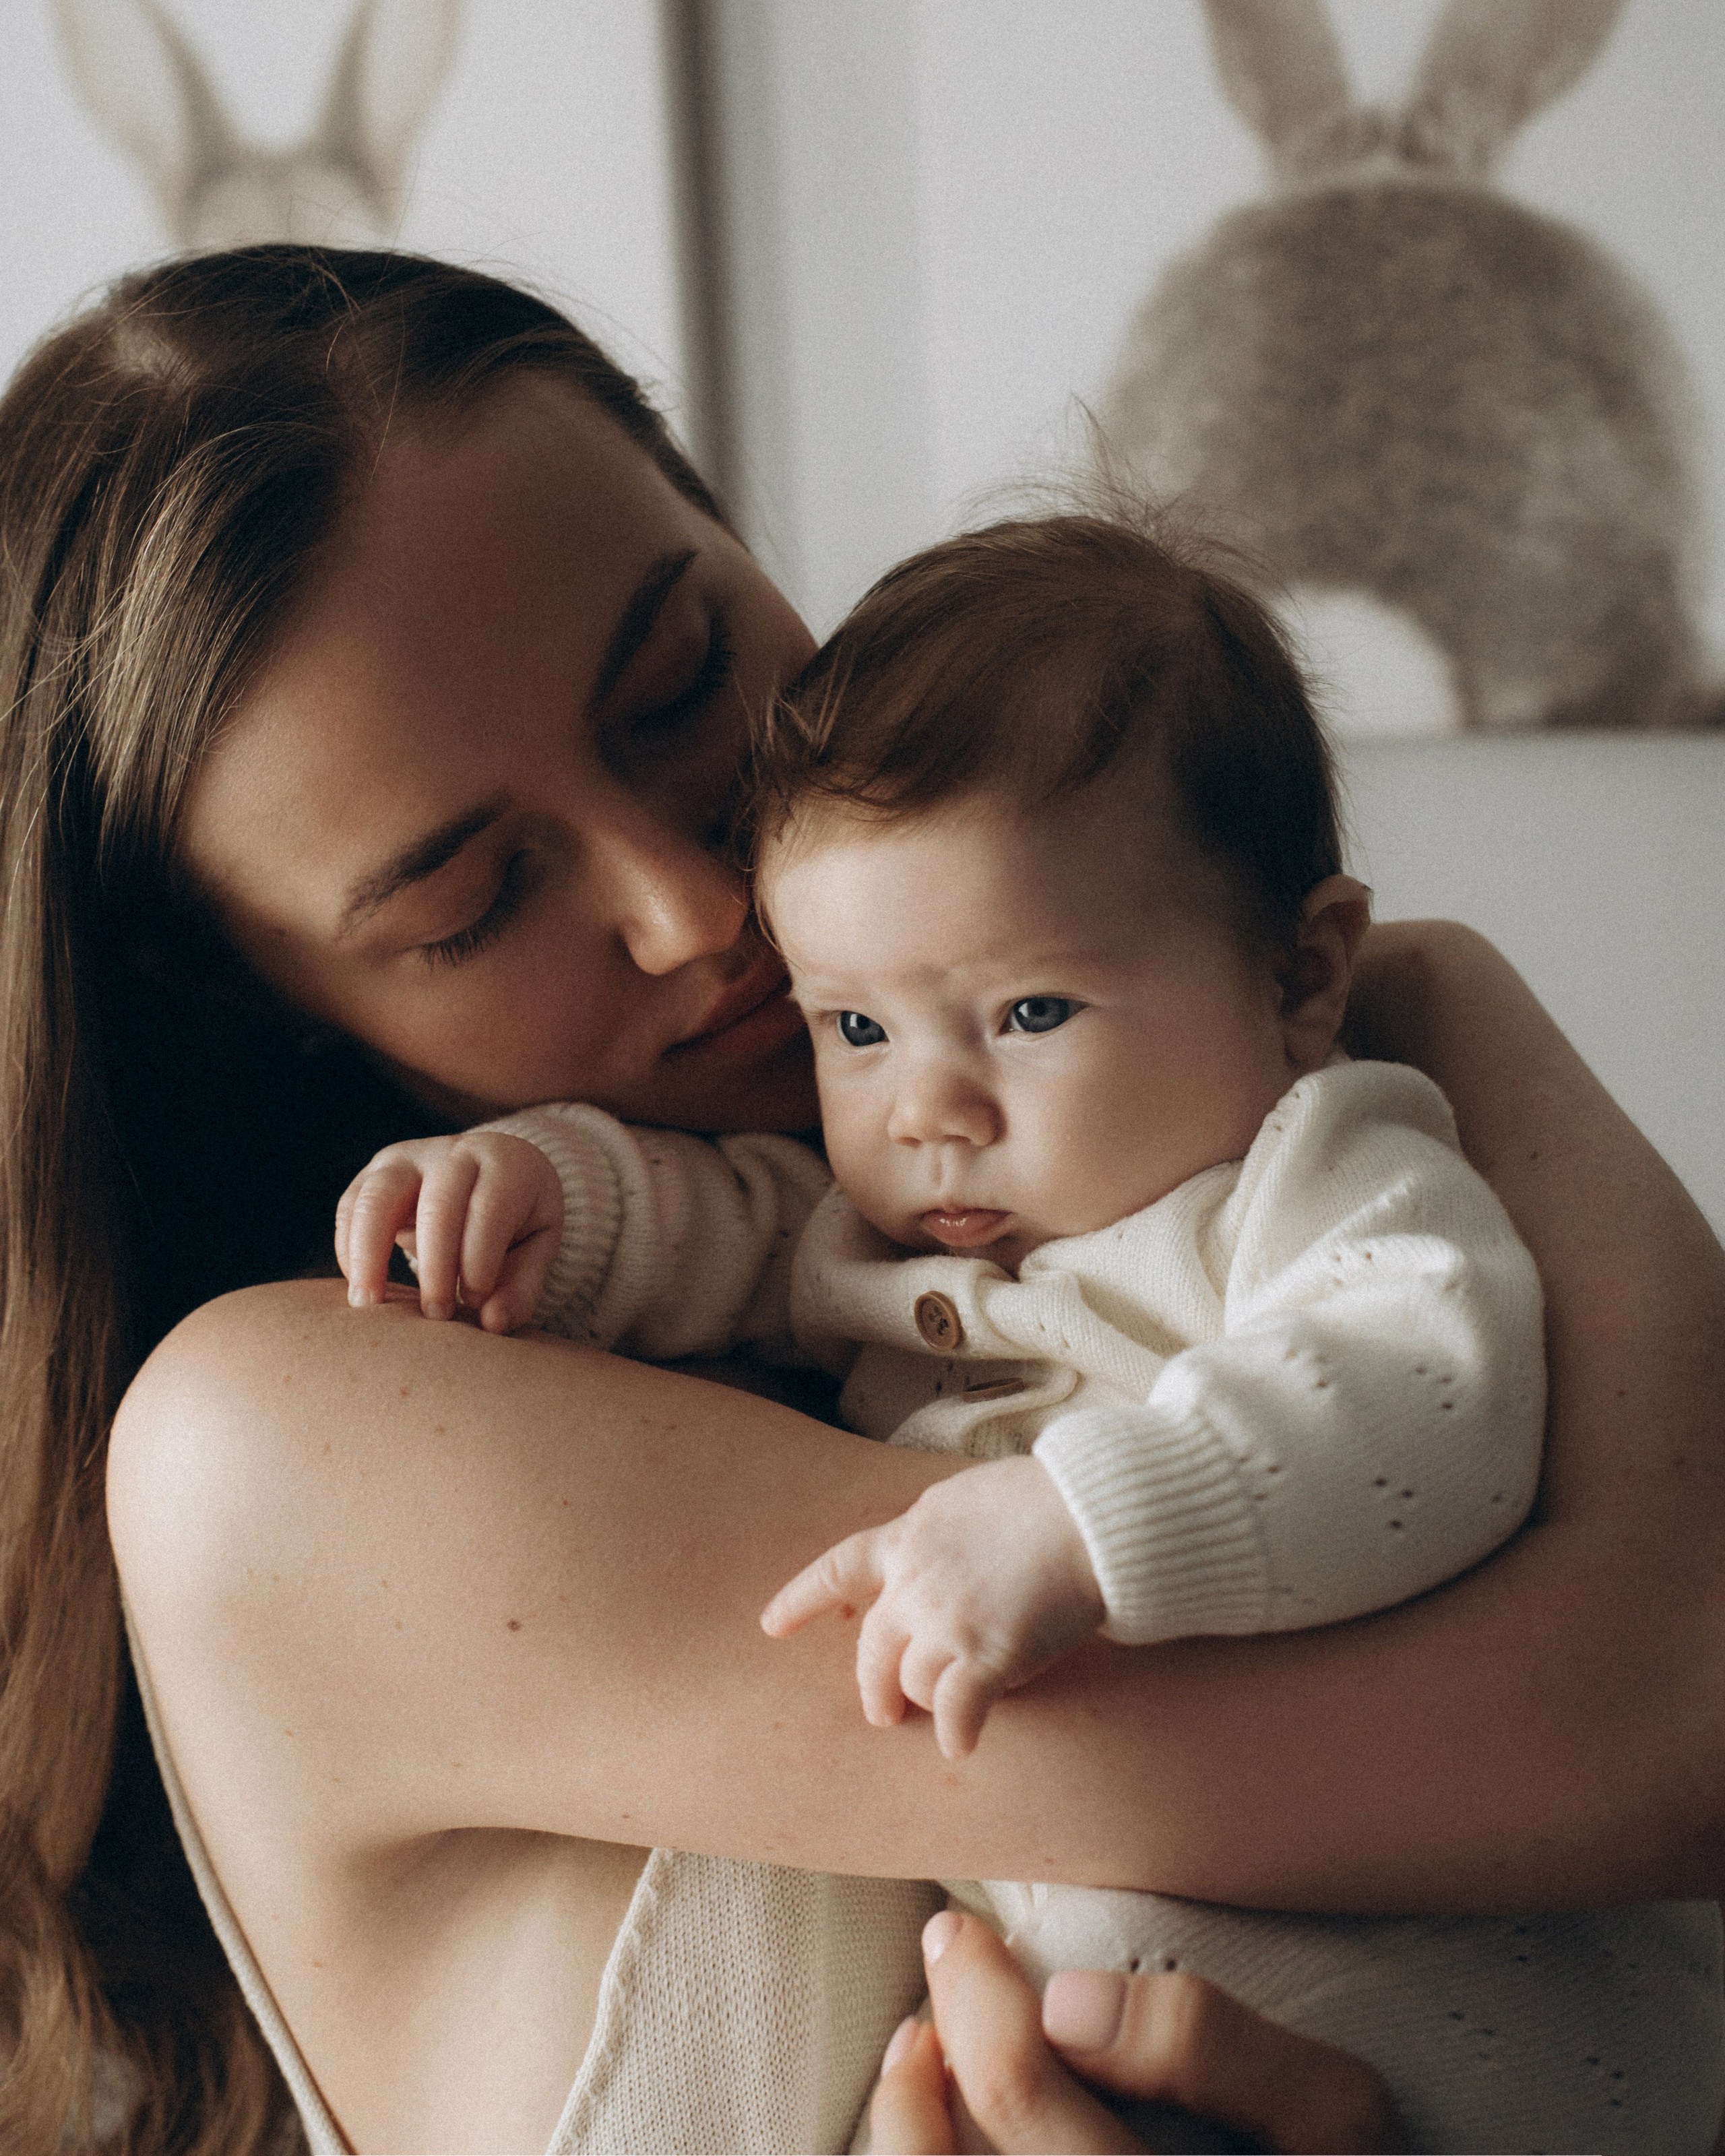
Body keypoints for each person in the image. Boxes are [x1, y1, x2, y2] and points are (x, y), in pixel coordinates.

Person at [0, 246, 1718, 2155]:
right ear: (246, 1004)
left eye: (678, 686)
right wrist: (1441, 998)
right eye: (471, 903)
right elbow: (1659, 1725)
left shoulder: (1237, 1113)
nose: (698, 904)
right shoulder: (274, 1449)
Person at [336, 513, 1720, 2151]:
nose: (926, 1108)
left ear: (1298, 976)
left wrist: (1085, 1517)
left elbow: (1428, 1393)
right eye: (847, 1024)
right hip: (1121, 2039)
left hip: (1486, 2021)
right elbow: (711, 1225)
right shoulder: (864, 1220)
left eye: (1029, 1013)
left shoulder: (1305, 1171)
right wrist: (539, 1192)